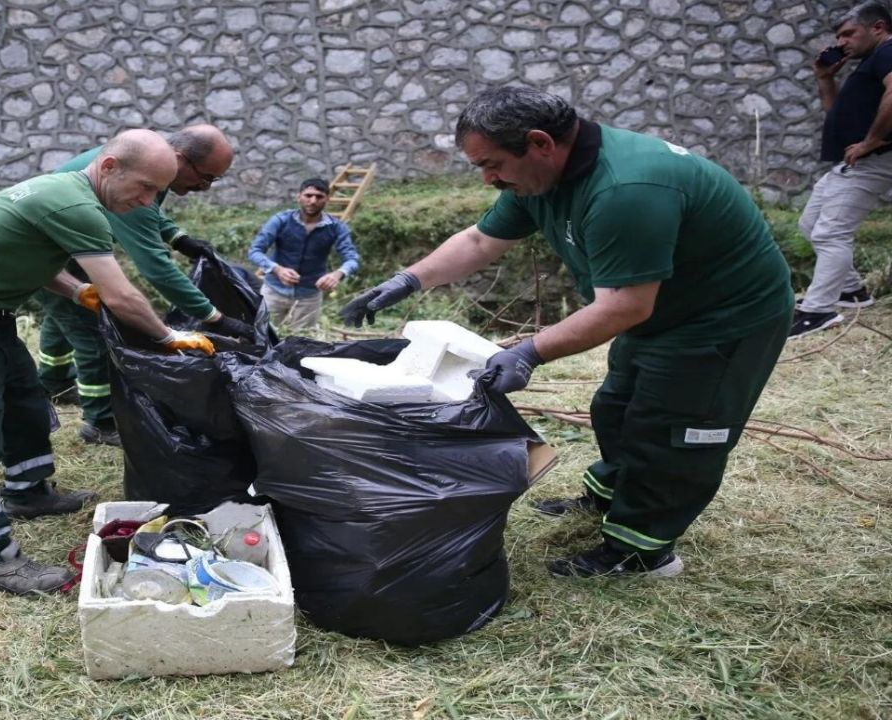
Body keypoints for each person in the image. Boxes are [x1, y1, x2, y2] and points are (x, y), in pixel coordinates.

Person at [340, 87, 794, 579]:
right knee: (616, 408)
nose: (489, 179)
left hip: (721, 319)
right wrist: (409, 279)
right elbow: (478, 241)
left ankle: (642, 552)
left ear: (540, 143)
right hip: (662, 311)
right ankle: (610, 498)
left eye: (491, 164)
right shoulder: (541, 180)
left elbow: (623, 306)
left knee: (674, 433)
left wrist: (529, 352)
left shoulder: (626, 190)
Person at [0, 129, 215, 596]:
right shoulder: (78, 207)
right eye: (144, 188)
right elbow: (121, 294)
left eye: (156, 192)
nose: (148, 203)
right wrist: (169, 335)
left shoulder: (67, 195)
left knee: (25, 406)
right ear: (109, 167)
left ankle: (28, 493)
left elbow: (33, 256)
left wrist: (72, 289)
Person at [36, 124, 253, 446]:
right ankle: (100, 421)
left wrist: (180, 239)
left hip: (62, 250)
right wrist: (214, 318)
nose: (205, 188)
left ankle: (52, 381)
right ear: (180, 158)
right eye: (205, 177)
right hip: (45, 259)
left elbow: (149, 214)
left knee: (62, 318)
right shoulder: (136, 173)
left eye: (213, 181)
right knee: (96, 336)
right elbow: (157, 268)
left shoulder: (148, 167)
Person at [792, 1, 890, 338]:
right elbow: (836, 115)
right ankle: (851, 292)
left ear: (877, 28)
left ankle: (817, 312)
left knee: (831, 233)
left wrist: (871, 141)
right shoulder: (869, 64)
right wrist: (825, 78)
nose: (842, 42)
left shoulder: (888, 52)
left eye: (849, 33)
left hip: (874, 159)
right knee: (811, 225)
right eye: (838, 36)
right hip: (856, 161)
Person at [249, 178, 361, 332]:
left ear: (327, 199)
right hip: (273, 292)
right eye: (308, 195)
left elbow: (352, 259)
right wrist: (277, 269)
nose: (313, 201)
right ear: (299, 196)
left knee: (301, 342)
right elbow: (255, 251)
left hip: (309, 297)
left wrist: (337, 274)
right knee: (263, 337)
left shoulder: (337, 227)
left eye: (319, 196)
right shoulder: (280, 220)